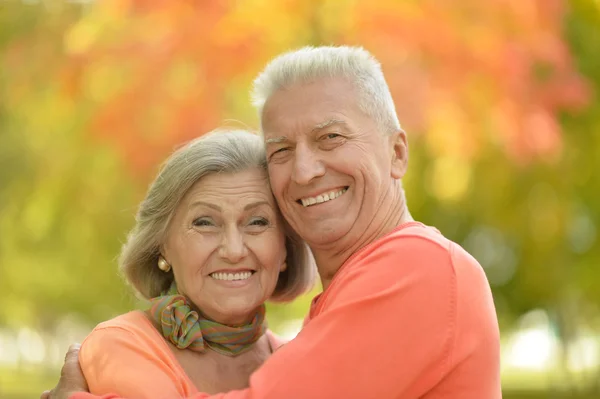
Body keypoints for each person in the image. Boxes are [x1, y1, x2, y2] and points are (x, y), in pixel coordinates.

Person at [45, 45, 501, 399]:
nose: (304, 171)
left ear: (397, 153)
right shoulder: (339, 306)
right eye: (282, 150)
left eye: (331, 137)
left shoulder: (416, 268)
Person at [61, 129, 315, 399]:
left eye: (257, 222)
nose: (233, 250)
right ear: (163, 247)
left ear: (286, 247)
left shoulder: (301, 361)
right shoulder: (120, 343)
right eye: (204, 222)